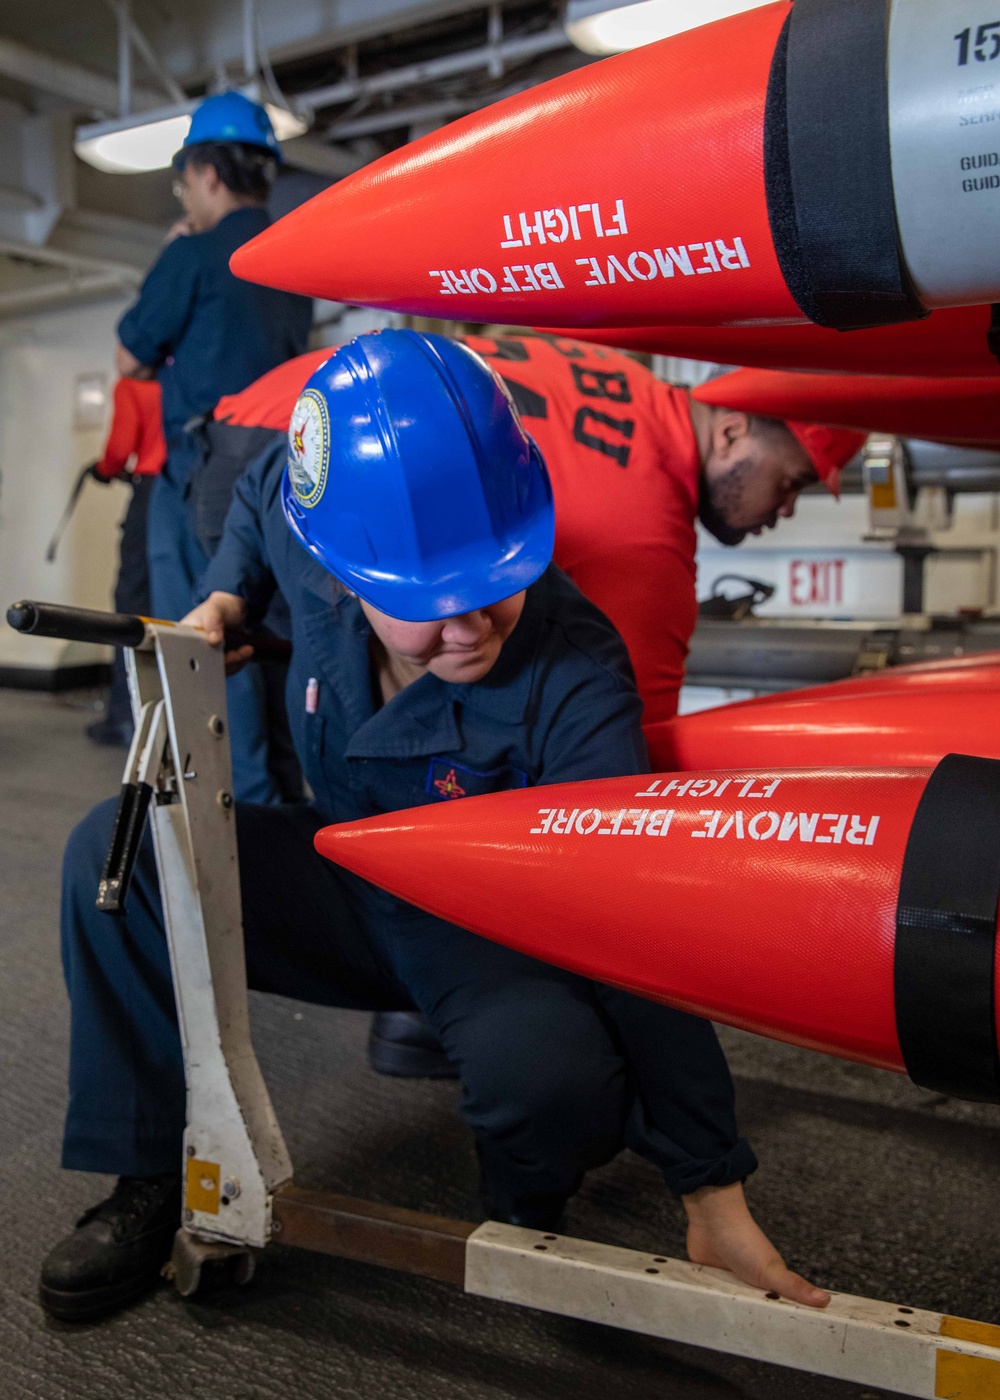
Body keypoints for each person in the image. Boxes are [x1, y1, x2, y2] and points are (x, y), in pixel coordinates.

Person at [42, 330, 829, 1323]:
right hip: (343, 873)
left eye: (489, 587)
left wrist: (711, 1183)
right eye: (423, 604)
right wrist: (231, 592)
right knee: (114, 856)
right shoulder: (326, 529)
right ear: (346, 563)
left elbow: (634, 926)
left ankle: (527, 1213)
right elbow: (262, 493)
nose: (466, 627)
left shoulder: (576, 674)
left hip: (482, 929)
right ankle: (147, 1173)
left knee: (549, 1084)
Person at [463, 333, 867, 727]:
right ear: (731, 432)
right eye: (790, 482)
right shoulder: (649, 546)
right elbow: (630, 756)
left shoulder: (610, 367)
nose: (788, 509)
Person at [114, 90, 312, 800]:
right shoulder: (290, 261)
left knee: (200, 637)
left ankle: (232, 808)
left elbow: (129, 358)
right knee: (271, 632)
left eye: (184, 182)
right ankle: (280, 799)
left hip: (203, 471)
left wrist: (170, 256)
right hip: (286, 468)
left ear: (208, 174)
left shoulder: (192, 253)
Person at [85, 378, 166, 747]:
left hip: (150, 491)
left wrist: (104, 469)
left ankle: (125, 717)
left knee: (132, 602)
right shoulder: (183, 377)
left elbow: (120, 448)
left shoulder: (134, 384)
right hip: (188, 491)